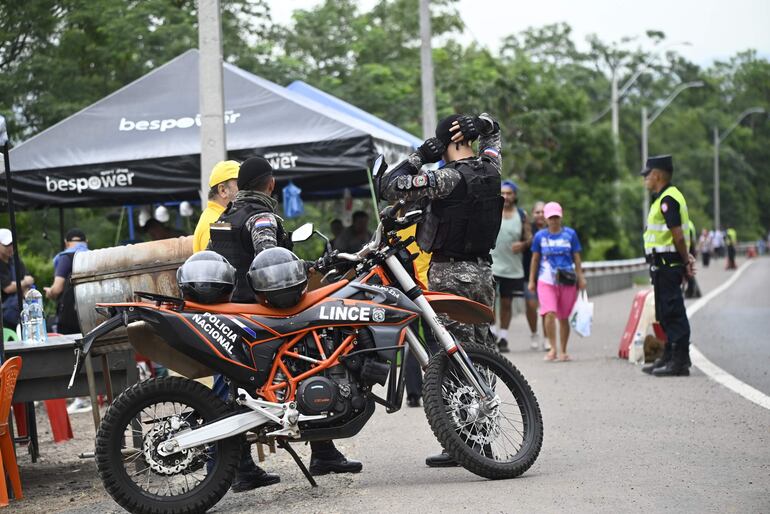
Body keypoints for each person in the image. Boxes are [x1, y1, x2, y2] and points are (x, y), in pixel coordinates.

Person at [209, 156, 362, 483]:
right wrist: (304, 268)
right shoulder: (261, 216)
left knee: (238, 387)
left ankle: (314, 454)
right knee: (309, 366)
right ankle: (312, 454)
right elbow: (269, 264)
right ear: (270, 182)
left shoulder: (226, 216)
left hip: (229, 312)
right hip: (260, 314)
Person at [380, 112, 502, 468]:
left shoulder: (447, 178)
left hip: (451, 274)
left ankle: (468, 442)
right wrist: (483, 124)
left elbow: (389, 186)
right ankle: (482, 433)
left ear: (445, 145)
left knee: (457, 357)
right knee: (483, 354)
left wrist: (419, 156)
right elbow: (495, 135)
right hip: (483, 274)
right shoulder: (491, 169)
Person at [639, 155, 695, 377]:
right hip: (662, 265)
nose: (645, 179)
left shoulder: (668, 199)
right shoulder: (662, 197)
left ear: (657, 175)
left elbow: (678, 236)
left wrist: (685, 260)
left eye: (647, 175)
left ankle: (680, 361)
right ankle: (670, 355)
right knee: (664, 312)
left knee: (673, 312)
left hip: (669, 264)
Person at [527, 202, 585, 362]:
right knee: (549, 313)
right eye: (551, 217)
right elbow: (535, 259)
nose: (554, 220)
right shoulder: (540, 237)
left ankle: (563, 350)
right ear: (546, 218)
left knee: (564, 317)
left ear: (561, 217)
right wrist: (531, 280)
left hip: (567, 280)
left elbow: (577, 258)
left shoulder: (570, 234)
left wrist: (581, 278)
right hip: (546, 280)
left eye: (556, 217)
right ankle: (552, 348)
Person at [490, 180, 531, 353]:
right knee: (490, 302)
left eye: (509, 193)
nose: (506, 196)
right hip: (492, 265)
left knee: (507, 303)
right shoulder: (492, 211)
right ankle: (491, 335)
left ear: (514, 196)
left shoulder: (521, 215)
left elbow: (530, 238)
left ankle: (503, 337)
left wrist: (523, 245)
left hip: (513, 268)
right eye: (503, 193)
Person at [44, 229, 89, 334]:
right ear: (86, 242)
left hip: (70, 316)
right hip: (92, 313)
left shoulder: (66, 258)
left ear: (66, 243)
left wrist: (50, 292)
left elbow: (57, 289)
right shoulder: (93, 256)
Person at [193, 160, 240, 252]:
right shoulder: (215, 225)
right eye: (240, 185)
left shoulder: (218, 218)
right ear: (223, 190)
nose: (246, 189)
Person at [523, 201, 548, 351]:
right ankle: (534, 334)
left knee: (547, 307)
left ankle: (547, 337)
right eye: (537, 212)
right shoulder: (527, 229)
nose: (540, 215)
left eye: (543, 212)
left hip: (547, 275)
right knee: (531, 306)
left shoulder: (552, 228)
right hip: (528, 274)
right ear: (533, 214)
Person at [0, 228, 34, 329]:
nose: (10, 247)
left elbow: (30, 280)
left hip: (20, 310)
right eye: (7, 245)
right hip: (4, 316)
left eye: (12, 244)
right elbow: (7, 288)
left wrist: (24, 289)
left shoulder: (16, 260)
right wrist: (24, 283)